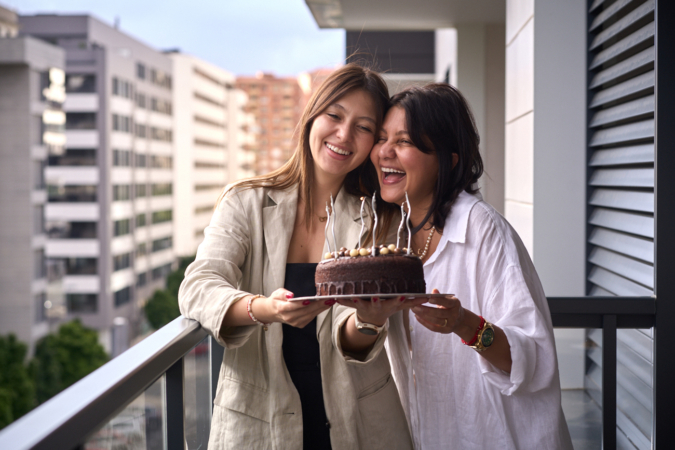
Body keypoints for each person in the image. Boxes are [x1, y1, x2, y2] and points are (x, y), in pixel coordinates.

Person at [178, 64, 415, 450]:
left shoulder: (379, 217)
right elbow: (198, 287)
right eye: (335, 116)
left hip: (359, 418)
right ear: (311, 116)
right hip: (258, 418)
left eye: (363, 126)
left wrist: (370, 321)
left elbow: (356, 338)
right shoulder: (245, 201)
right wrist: (263, 309)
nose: (344, 135)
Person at [338, 84, 573, 449]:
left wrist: (465, 324)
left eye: (403, 141)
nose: (383, 152)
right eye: (382, 138)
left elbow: (535, 361)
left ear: (448, 159)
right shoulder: (389, 236)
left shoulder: (484, 230)